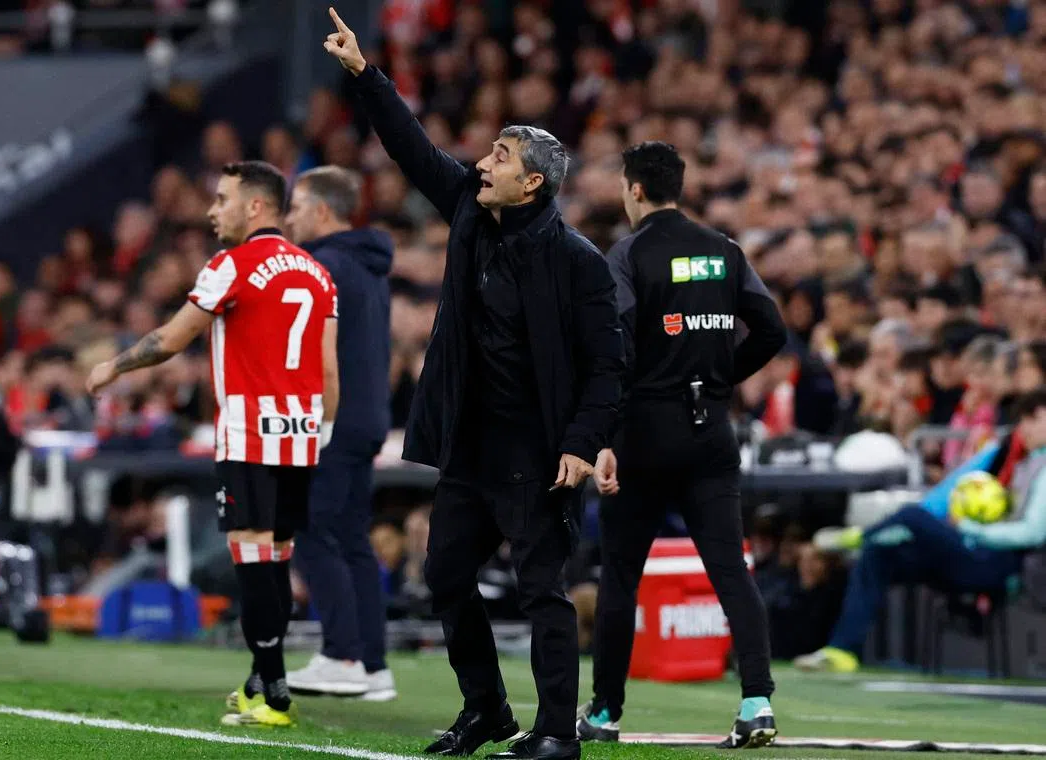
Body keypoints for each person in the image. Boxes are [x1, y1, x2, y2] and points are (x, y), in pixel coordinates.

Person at [324, 10, 624, 760]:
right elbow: (411, 147)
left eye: (500, 156)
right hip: (469, 442)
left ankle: (557, 732)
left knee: (542, 589)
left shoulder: (578, 262)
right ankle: (486, 708)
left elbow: (608, 363)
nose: (482, 163)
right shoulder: (467, 205)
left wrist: (583, 442)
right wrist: (365, 74)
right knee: (446, 575)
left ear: (532, 184)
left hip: (538, 450)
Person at [86, 161, 339, 728]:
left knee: (252, 556)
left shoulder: (231, 265)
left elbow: (170, 339)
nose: (212, 210)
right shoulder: (317, 273)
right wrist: (321, 431)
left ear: (255, 206)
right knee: (276, 555)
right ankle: (260, 680)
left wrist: (113, 366)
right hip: (300, 434)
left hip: (248, 433)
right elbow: (328, 370)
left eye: (222, 199)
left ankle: (274, 692)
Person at [579, 142, 787, 749]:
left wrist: (605, 436)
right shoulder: (724, 251)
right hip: (710, 430)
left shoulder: (627, 255)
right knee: (730, 570)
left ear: (635, 189)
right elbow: (771, 329)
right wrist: (721, 378)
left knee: (621, 576)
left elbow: (615, 348)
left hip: (644, 432)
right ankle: (757, 704)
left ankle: (604, 713)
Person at [796, 386, 1046, 674]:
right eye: (1022, 420)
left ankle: (860, 535)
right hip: (976, 553)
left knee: (914, 516)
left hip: (998, 565)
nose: (1024, 428)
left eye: (1032, 419)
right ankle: (842, 651)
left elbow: (1033, 533)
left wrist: (971, 529)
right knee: (880, 554)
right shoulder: (1025, 463)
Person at [283, 165, 397, 701]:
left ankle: (342, 655)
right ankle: (372, 665)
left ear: (322, 211)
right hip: (367, 417)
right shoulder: (367, 265)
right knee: (352, 539)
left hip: (334, 418)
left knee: (311, 529)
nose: (289, 219)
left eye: (296, 207)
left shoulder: (323, 265)